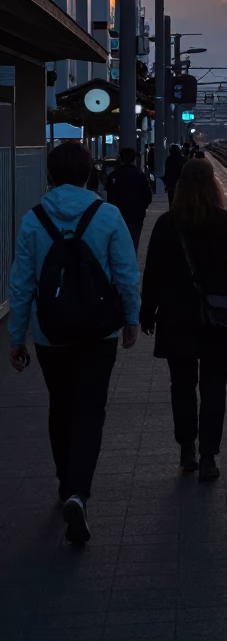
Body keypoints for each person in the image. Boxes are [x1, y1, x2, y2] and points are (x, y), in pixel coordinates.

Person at [7, 141, 140, 545]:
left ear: (50, 175)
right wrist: (131, 319)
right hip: (99, 333)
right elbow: (126, 273)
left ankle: (66, 483)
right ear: (89, 174)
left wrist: (16, 337)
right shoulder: (108, 215)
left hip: (50, 334)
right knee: (90, 409)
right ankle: (79, 493)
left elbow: (21, 283)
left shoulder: (33, 219)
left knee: (61, 406)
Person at [140, 158, 227, 481]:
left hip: (175, 320)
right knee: (214, 387)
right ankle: (208, 457)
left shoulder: (166, 224)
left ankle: (186, 448)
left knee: (181, 385)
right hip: (217, 320)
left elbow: (152, 274)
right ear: (212, 185)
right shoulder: (226, 223)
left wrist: (146, 313)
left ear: (180, 186)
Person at [105, 147, 153, 252]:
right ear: (134, 159)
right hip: (136, 215)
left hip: (117, 215)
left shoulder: (114, 176)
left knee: (117, 245)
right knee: (133, 243)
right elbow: (148, 196)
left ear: (120, 158)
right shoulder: (140, 176)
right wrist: (142, 207)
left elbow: (109, 195)